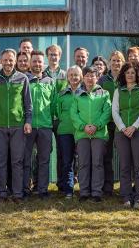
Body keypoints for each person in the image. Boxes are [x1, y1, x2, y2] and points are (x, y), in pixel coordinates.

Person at [0, 48, 32, 203]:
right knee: (0, 161)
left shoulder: (23, 78)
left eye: (10, 60)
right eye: (5, 60)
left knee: (17, 161)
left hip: (18, 125)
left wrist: (28, 121)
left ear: (15, 61)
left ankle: (18, 193)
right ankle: (1, 193)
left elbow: (28, 103)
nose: (8, 63)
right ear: (1, 61)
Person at [112, 62, 139, 209]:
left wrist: (134, 127)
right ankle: (126, 197)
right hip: (121, 133)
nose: (130, 75)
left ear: (137, 74)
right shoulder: (118, 91)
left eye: (133, 73)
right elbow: (115, 111)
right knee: (125, 166)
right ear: (123, 74)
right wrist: (122, 128)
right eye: (127, 72)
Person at [71, 66, 111, 202]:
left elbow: (107, 112)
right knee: (83, 163)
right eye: (87, 75)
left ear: (97, 77)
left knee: (97, 163)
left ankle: (96, 193)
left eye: (92, 76)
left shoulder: (104, 93)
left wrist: (97, 126)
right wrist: (83, 126)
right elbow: (73, 113)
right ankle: (84, 192)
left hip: (99, 134)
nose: (90, 78)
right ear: (83, 77)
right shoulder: (78, 94)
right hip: (82, 134)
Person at [24, 51, 55, 199]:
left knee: (44, 159)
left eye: (39, 62)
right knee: (26, 159)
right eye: (34, 61)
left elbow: (54, 104)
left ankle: (42, 189)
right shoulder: (24, 80)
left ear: (44, 64)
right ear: (30, 63)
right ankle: (25, 188)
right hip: (27, 126)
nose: (37, 64)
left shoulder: (50, 81)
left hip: (45, 126)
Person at [98, 50, 125, 195]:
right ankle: (107, 186)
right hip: (108, 123)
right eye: (113, 60)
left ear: (123, 63)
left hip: (123, 123)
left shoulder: (126, 79)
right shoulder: (102, 80)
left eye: (119, 60)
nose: (116, 63)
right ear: (109, 63)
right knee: (106, 156)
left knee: (125, 156)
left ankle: (125, 186)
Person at [56, 66, 83, 198]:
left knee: (82, 160)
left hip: (81, 131)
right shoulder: (61, 94)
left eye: (76, 75)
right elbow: (57, 112)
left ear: (81, 77)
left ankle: (84, 188)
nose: (73, 77)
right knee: (67, 161)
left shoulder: (84, 93)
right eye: (71, 75)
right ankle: (68, 189)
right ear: (67, 77)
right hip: (65, 131)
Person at [44, 44, 67, 191]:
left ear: (60, 56)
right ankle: (40, 184)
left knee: (62, 151)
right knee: (43, 152)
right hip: (45, 117)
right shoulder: (42, 73)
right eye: (51, 54)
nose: (53, 57)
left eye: (56, 54)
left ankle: (62, 183)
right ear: (47, 56)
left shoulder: (65, 75)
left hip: (60, 118)